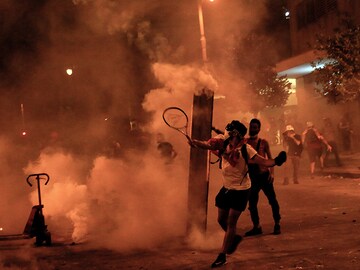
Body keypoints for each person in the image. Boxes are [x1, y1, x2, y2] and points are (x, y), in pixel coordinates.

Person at [188, 120, 287, 268]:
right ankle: (233, 238)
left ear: (236, 134)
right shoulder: (223, 142)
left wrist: (277, 161)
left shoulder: (246, 149)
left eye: (229, 130)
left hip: (241, 190)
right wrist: (194, 142)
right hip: (227, 188)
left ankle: (222, 255)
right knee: (221, 220)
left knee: (231, 222)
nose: (226, 132)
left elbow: (264, 162)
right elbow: (208, 145)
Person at [245, 118, 281, 237]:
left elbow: (270, 159)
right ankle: (257, 226)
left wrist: (272, 173)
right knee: (252, 204)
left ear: (259, 129)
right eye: (251, 126)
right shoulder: (244, 142)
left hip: (264, 175)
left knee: (273, 200)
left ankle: (277, 223)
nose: (252, 129)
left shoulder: (263, 142)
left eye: (255, 127)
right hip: (252, 177)